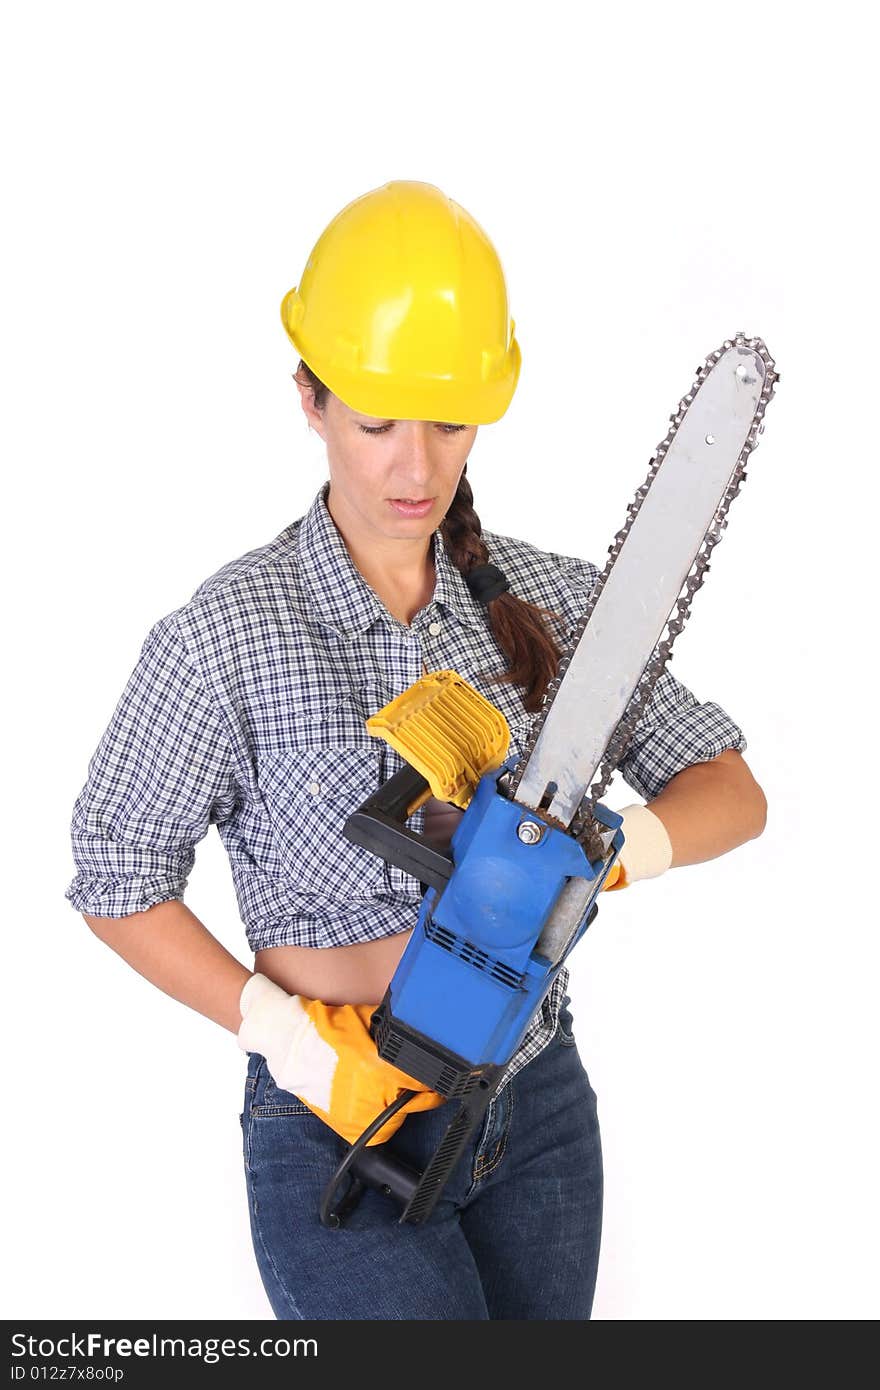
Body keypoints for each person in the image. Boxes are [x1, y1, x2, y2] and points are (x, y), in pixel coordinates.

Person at [64, 179, 767, 1320]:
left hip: (529, 1104)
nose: (415, 467)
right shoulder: (224, 637)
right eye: (377, 420)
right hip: (333, 1114)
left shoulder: (545, 600)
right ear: (310, 397)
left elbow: (732, 788)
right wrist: (285, 1040)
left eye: (447, 422)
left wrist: (615, 848)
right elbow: (114, 876)